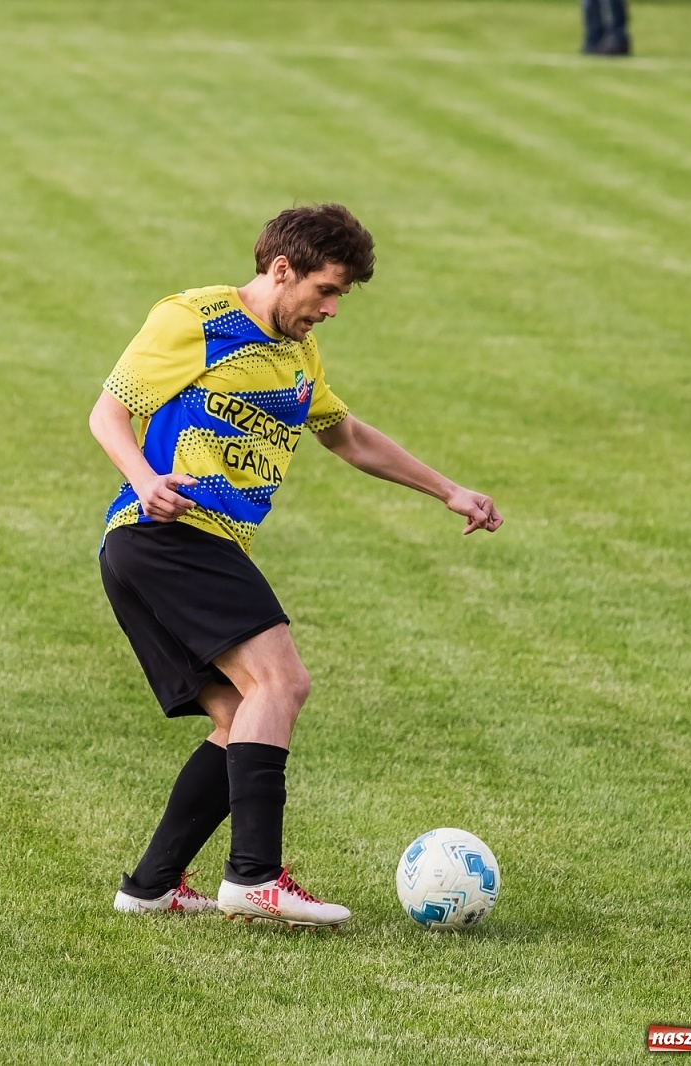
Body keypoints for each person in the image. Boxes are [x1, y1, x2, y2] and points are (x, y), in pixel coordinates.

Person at [90, 204, 503, 927]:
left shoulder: (298, 356)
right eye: (327, 289)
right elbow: (108, 413)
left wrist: (448, 490)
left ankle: (150, 885)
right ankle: (254, 876)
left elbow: (348, 436)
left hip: (169, 551)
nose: (332, 309)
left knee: (240, 717)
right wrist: (145, 480)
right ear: (282, 270)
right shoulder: (196, 318)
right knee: (282, 682)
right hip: (169, 534)